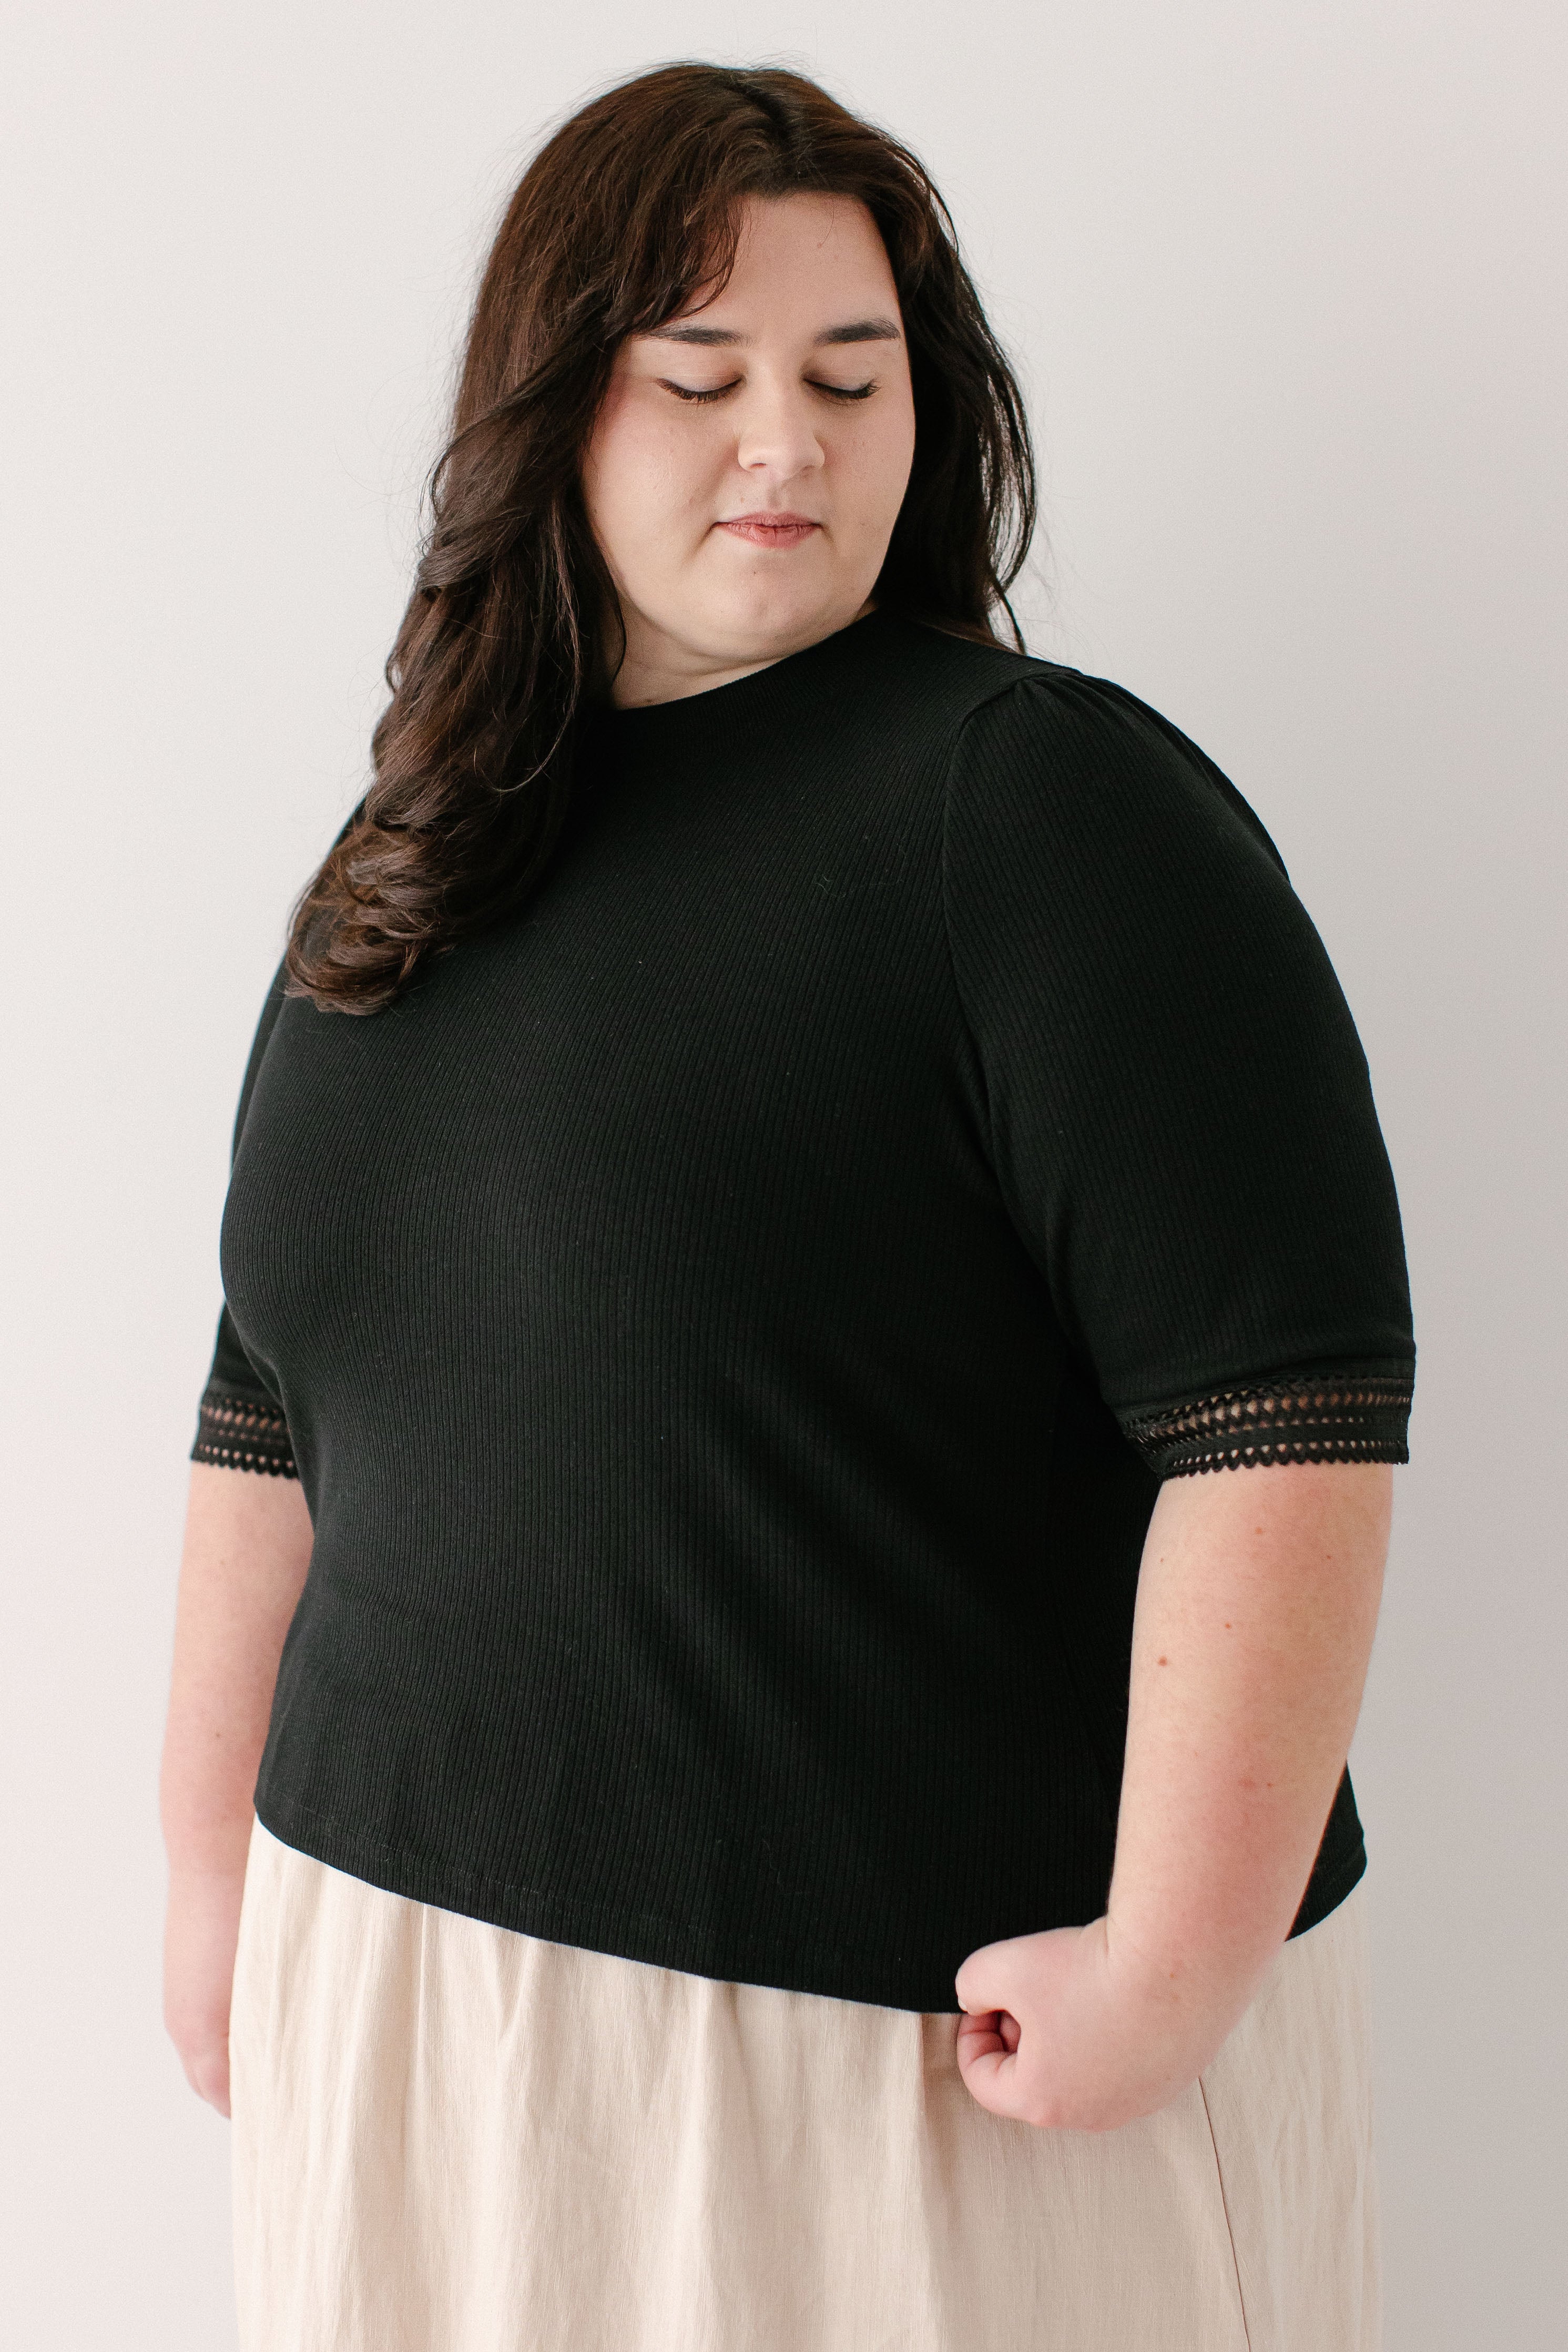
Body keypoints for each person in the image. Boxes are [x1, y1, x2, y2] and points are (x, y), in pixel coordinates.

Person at [159, 60, 1414, 2352]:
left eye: (851, 378)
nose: (789, 444)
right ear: (552, 407)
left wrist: (1175, 1954)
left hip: (893, 2079)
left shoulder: (1039, 816)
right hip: (405, 2010)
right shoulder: (418, 859)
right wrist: (204, 1876)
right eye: (702, 375)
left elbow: (1282, 1408)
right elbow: (269, 1401)